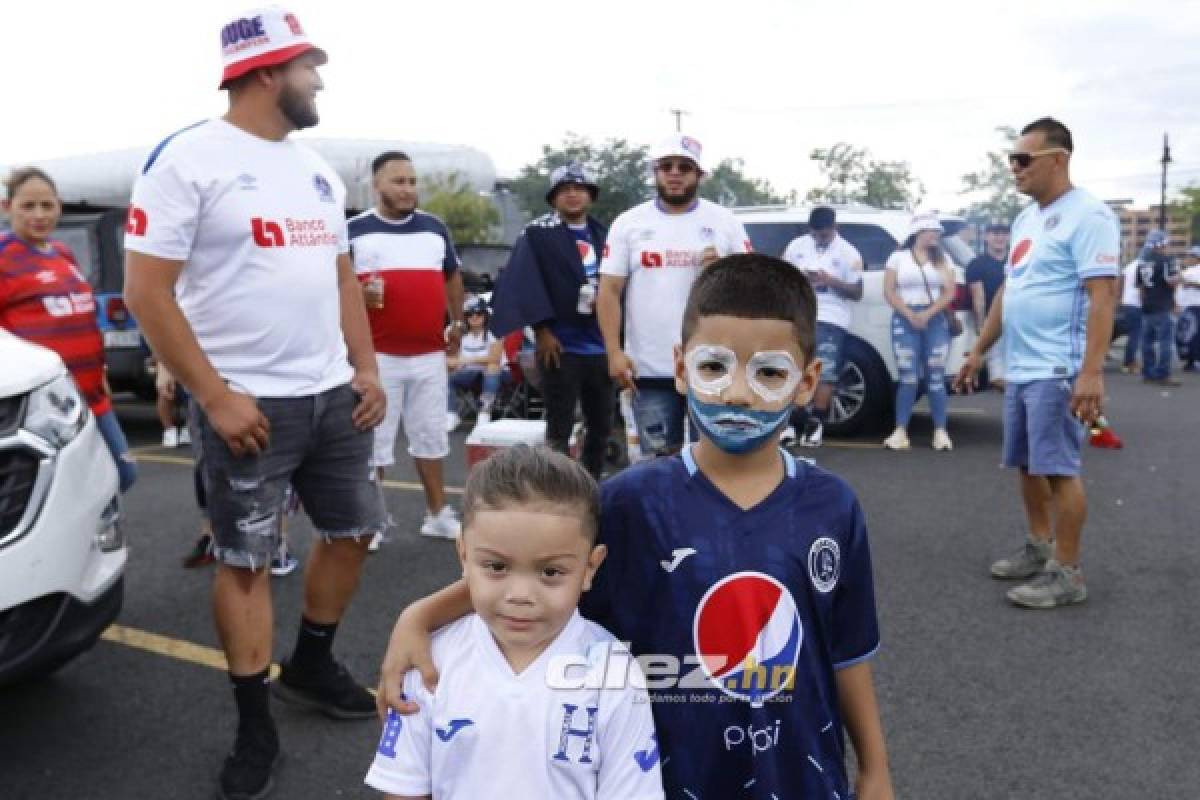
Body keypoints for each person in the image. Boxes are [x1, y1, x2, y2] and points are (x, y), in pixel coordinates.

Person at [378, 255, 894, 800]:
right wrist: (421, 616)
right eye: (714, 367)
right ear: (679, 367)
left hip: (799, 777)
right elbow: (541, 569)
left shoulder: (832, 506)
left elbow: (847, 651)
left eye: (769, 372)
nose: (739, 393)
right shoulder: (630, 501)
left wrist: (874, 768)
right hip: (664, 778)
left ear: (806, 381)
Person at [122, 10, 387, 798]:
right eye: (311, 66)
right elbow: (146, 291)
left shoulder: (316, 169)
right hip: (246, 402)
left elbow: (341, 278)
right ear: (269, 70)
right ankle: (253, 725)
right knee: (243, 561)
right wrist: (214, 397)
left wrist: (365, 369)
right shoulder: (188, 160)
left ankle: (310, 661)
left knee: (354, 532)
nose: (320, 80)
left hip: (333, 394)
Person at [363, 444, 663, 799]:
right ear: (463, 554)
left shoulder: (615, 675)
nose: (520, 594)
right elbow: (404, 790)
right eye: (497, 567)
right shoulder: (429, 664)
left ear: (590, 568)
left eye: (550, 571)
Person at [955, 117, 1119, 609]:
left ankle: (1067, 573)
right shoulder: (1027, 219)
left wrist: (1090, 372)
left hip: (1056, 367)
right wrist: (979, 349)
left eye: (1024, 160)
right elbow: (1011, 290)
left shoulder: (1089, 215)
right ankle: (1040, 546)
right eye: (1012, 160)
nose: (1015, 169)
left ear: (1058, 159)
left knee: (1059, 469)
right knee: (1027, 465)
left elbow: (1103, 295)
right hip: (1022, 368)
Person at [597, 134, 752, 457]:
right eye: (666, 166)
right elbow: (609, 291)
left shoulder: (726, 223)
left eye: (685, 166)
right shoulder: (629, 223)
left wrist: (724, 269)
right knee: (657, 464)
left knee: (714, 461)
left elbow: (755, 286)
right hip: (649, 368)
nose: (675, 173)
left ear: (699, 175)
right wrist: (613, 352)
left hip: (712, 366)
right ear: (655, 172)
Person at [350, 151, 464, 542]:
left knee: (431, 437)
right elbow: (334, 288)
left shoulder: (435, 228)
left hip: (429, 354)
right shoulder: (352, 230)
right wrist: (358, 296)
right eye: (398, 181)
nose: (408, 189)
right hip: (377, 357)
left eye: (412, 182)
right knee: (374, 442)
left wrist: (458, 322)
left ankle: (437, 513)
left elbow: (452, 278)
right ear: (376, 184)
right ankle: (372, 520)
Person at [1, 167, 137, 492]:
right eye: (29, 206)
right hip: (45, 405)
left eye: (47, 206)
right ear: (8, 208)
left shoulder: (63, 254)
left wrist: (100, 368)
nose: (39, 215)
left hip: (90, 394)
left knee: (122, 474)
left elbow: (83, 316)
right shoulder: (4, 257)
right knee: (61, 492)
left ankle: (95, 539)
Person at [490, 163, 612, 479]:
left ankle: (592, 485)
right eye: (564, 190)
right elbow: (523, 281)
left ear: (590, 195)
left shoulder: (605, 234)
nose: (572, 195)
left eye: (579, 188)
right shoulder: (537, 234)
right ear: (554, 198)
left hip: (602, 345)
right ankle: (557, 488)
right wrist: (542, 330)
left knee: (601, 425)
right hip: (560, 345)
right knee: (559, 426)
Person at [781, 206, 863, 447]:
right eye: (815, 234)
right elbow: (781, 277)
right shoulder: (796, 246)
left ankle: (815, 424)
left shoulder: (849, 253)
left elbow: (857, 292)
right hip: (798, 315)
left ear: (834, 228)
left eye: (824, 234)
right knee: (795, 369)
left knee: (825, 371)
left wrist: (830, 281)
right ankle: (791, 424)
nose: (819, 238)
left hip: (831, 316)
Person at [881, 212, 957, 451]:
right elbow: (889, 291)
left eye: (937, 231)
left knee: (936, 375)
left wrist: (927, 313)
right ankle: (900, 430)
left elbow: (949, 292)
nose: (935, 235)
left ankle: (940, 430)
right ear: (918, 233)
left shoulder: (943, 260)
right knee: (908, 376)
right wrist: (909, 313)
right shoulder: (898, 258)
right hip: (905, 318)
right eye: (930, 230)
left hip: (934, 319)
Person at [446, 296, 508, 429]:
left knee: (491, 367)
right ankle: (451, 413)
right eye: (470, 314)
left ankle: (485, 412)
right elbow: (459, 361)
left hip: (498, 373)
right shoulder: (463, 337)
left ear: (485, 315)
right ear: (466, 318)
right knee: (446, 376)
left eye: (478, 313)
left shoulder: (494, 333)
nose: (474, 317)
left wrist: (466, 360)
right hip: (471, 373)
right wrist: (452, 363)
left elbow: (495, 358)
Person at [966, 222, 1010, 389]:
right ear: (986, 237)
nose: (999, 237)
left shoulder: (1018, 261)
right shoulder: (977, 264)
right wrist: (982, 325)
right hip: (995, 324)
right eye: (995, 233)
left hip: (1020, 323)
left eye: (1004, 233)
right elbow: (978, 297)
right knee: (997, 376)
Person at [1136, 229, 1181, 386]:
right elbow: (1172, 281)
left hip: (1148, 306)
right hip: (1163, 305)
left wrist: (1145, 303)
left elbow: (1140, 288)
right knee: (1165, 342)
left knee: (1146, 342)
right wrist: (1179, 278)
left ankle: (1148, 373)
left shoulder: (1142, 262)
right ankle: (1163, 374)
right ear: (1161, 244)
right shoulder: (1167, 260)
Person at [155, 360, 192, 448]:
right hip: (170, 360)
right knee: (166, 392)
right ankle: (169, 430)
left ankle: (189, 427)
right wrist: (162, 368)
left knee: (194, 394)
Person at [1117, 255, 1143, 374]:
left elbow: (1120, 282)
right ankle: (1129, 362)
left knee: (1130, 332)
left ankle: (1129, 361)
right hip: (1137, 304)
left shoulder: (1129, 266)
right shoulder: (1144, 266)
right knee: (1135, 335)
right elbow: (1142, 287)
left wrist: (1120, 298)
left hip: (1126, 302)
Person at [1176, 245, 1200, 372]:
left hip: (1196, 306)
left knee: (1194, 335)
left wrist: (1189, 283)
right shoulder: (1188, 270)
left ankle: (1195, 361)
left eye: (1191, 256)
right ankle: (1189, 360)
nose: (1188, 258)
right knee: (1185, 336)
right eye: (1187, 256)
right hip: (1185, 307)